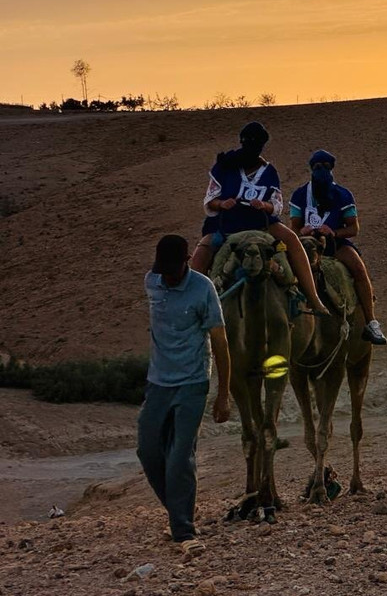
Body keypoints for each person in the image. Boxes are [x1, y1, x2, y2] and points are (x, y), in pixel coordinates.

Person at [137, 235, 231, 556]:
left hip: (192, 383)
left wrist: (223, 394)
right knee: (148, 451)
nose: (169, 276)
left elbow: (219, 342)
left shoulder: (203, 288)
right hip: (158, 384)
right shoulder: (153, 281)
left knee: (179, 458)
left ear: (189, 260)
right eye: (164, 270)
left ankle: (183, 531)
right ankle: (178, 510)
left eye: (174, 270)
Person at [190, 122, 330, 315]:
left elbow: (276, 205)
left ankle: (314, 300)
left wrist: (264, 205)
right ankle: (192, 307)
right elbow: (210, 199)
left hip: (261, 223)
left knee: (292, 240)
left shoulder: (269, 172)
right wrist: (222, 204)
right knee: (201, 253)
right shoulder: (225, 167)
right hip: (228, 222)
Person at [289, 149, 387, 345]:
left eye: (325, 167)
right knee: (285, 270)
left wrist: (333, 232)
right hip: (308, 244)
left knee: (359, 270)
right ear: (311, 169)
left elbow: (353, 228)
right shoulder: (300, 195)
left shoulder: (343, 195)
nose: (321, 171)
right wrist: (305, 230)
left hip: (335, 245)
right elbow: (294, 226)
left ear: (332, 169)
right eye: (317, 167)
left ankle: (371, 321)